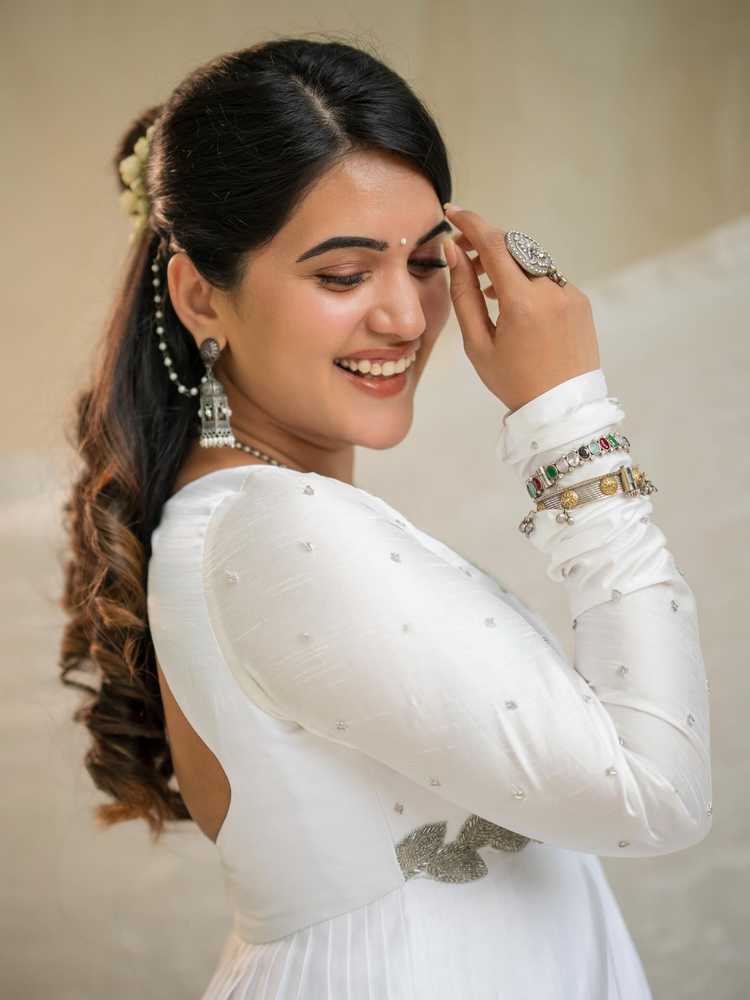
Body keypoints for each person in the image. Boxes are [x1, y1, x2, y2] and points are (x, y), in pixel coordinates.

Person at [58, 36, 712, 999]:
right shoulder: (273, 534)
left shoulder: (250, 520)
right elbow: (659, 794)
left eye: (427, 261)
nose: (405, 317)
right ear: (201, 294)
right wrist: (568, 419)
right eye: (343, 275)